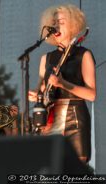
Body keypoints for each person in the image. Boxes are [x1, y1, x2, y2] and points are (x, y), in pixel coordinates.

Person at [29, 4, 96, 163]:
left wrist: (63, 83)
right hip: (50, 119)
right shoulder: (46, 58)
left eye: (61, 21)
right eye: (53, 22)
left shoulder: (83, 55)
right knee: (50, 167)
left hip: (75, 117)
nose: (56, 25)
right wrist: (36, 95)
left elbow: (92, 95)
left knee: (75, 171)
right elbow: (42, 91)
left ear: (73, 25)